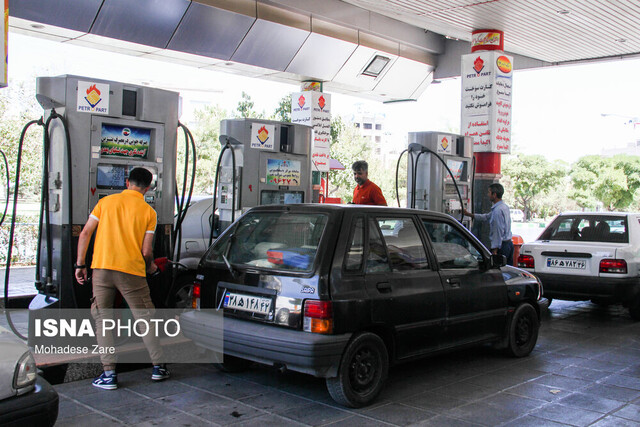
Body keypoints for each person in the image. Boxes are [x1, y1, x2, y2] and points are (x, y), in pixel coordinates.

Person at [75, 167, 169, 390]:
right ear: (147, 188)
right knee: (145, 318)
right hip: (132, 272)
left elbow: (86, 232)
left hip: (101, 270)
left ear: (127, 182)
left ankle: (108, 375)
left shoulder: (105, 203)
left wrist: (80, 264)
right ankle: (158, 368)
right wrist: (153, 267)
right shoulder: (149, 212)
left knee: (103, 321)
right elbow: (146, 252)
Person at [463, 183, 513, 265]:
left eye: (489, 192)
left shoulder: (497, 211)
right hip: (508, 244)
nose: (488, 194)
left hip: (501, 246)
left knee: (498, 273)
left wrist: (494, 249)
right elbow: (486, 217)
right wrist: (469, 214)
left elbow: (497, 230)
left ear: (494, 195)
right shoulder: (503, 207)